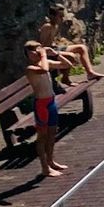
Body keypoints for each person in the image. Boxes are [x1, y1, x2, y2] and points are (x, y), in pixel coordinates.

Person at [23, 40, 68, 177]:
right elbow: (44, 70)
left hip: (51, 102)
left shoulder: (45, 62)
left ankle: (51, 161)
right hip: (41, 105)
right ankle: (44, 168)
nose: (36, 53)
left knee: (52, 133)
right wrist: (43, 55)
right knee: (42, 136)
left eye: (37, 50)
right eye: (32, 51)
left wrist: (56, 54)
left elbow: (67, 64)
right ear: (28, 55)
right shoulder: (30, 68)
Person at [40, 6, 104, 82]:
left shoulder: (56, 26)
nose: (62, 19)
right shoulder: (47, 27)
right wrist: (50, 52)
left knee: (82, 48)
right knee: (71, 56)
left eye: (63, 16)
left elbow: (53, 40)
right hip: (48, 52)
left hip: (54, 48)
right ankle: (65, 79)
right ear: (52, 16)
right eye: (60, 16)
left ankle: (90, 73)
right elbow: (42, 45)